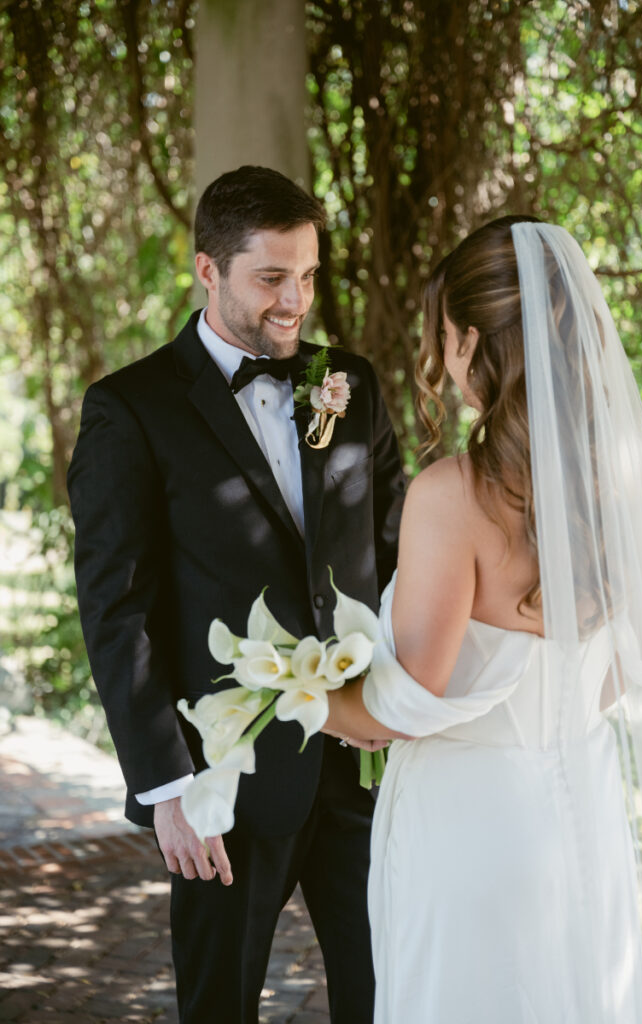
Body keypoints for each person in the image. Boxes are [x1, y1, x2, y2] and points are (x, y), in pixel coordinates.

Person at [67, 165, 405, 1023]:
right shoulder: (129, 409)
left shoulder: (351, 387)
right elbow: (117, 607)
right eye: (270, 278)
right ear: (208, 271)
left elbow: (398, 559)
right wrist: (166, 788)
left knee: (392, 994)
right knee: (218, 1005)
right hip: (228, 779)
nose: (295, 301)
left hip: (363, 766)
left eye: (308, 275)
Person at [324, 216, 642, 1022]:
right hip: (581, 812)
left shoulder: (451, 497)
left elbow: (402, 709)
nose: (443, 359)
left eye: (445, 337)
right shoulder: (615, 481)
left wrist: (302, 697)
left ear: (470, 342)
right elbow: (616, 673)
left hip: (466, 826)